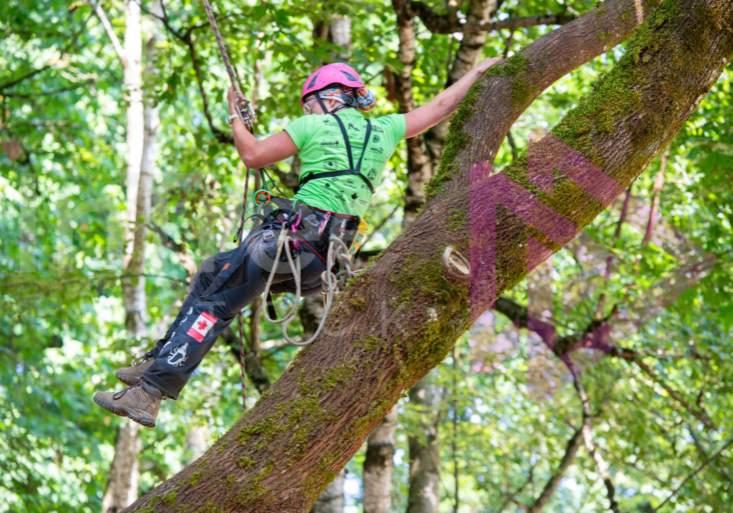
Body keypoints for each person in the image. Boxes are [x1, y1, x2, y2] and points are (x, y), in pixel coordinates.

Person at [93, 58, 502, 428]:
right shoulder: (386, 127)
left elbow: (253, 155)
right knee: (212, 274)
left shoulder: (313, 126)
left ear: (328, 98)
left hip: (287, 246)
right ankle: (159, 359)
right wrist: (478, 72)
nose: (307, 112)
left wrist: (236, 117)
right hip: (323, 264)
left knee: (214, 303)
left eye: (310, 104)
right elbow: (442, 107)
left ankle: (149, 393)